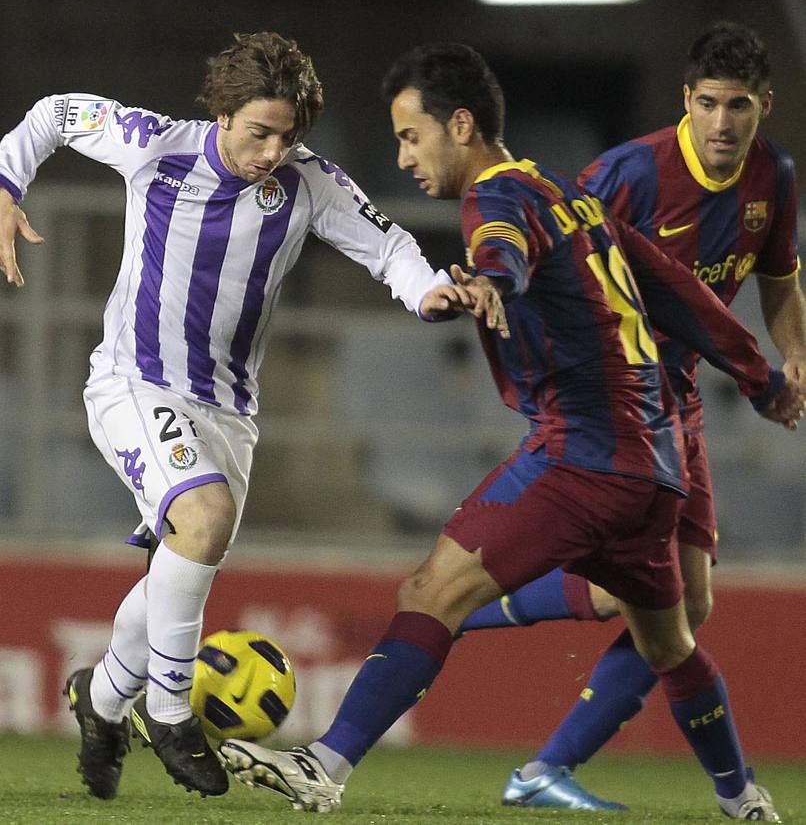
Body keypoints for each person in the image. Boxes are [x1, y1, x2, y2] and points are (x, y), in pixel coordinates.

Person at [217, 43, 801, 821]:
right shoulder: (570, 197)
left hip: (581, 455)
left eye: (410, 136)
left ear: (460, 125)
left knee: (431, 590)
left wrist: (492, 278)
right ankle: (743, 798)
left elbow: (502, 249)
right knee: (669, 643)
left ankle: (323, 767)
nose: (404, 156)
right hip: (658, 469)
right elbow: (678, 293)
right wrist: (763, 381)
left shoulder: (494, 196)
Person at [0, 32, 475, 801]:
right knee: (201, 521)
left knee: (177, 566)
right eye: (260, 132)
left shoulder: (310, 183)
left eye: (289, 136)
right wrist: (5, 190)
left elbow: (388, 247)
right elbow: (51, 115)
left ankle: (101, 700)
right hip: (132, 384)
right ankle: (172, 714)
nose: (275, 151)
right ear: (222, 112)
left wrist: (428, 291)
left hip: (229, 412)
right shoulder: (154, 145)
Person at [456, 22, 806, 812]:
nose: (722, 122)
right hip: (613, 394)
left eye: (739, 105)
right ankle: (480, 630)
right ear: (687, 100)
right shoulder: (628, 174)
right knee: (667, 605)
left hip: (675, 395)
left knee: (682, 602)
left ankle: (522, 720)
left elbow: (781, 282)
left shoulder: (772, 178)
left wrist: (796, 354)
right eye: (708, 103)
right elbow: (548, 249)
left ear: (764, 107)